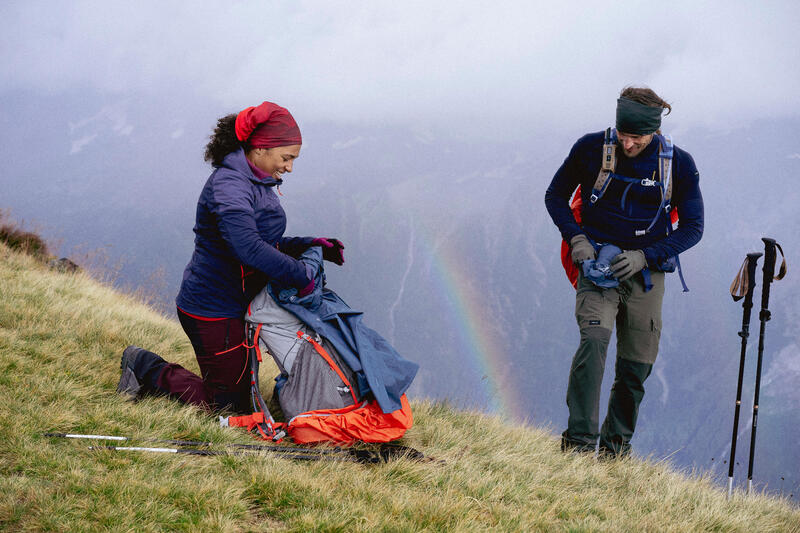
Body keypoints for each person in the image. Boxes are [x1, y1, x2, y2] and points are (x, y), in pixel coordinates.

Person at [117, 101, 345, 413]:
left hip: (235, 305)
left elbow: (265, 241)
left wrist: (308, 244)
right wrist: (298, 275)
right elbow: (247, 247)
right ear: (261, 148)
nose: (289, 167)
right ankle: (144, 366)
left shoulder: (257, 181)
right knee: (226, 407)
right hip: (212, 309)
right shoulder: (229, 186)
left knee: (240, 395)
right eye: (287, 157)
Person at [544, 87, 704, 457]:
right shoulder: (590, 149)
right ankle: (579, 446)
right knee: (594, 343)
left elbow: (693, 228)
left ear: (654, 131)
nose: (628, 143)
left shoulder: (677, 164)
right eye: (623, 134)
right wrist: (577, 240)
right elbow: (555, 196)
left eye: (637, 137)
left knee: (636, 365)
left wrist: (645, 257)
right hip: (597, 266)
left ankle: (615, 451)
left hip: (647, 274)